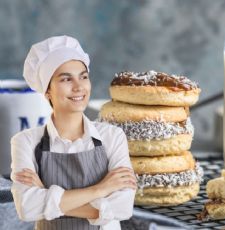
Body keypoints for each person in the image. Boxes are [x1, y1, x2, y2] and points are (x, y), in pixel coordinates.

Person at [10, 35, 137, 230]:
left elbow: (123, 207)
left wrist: (45, 194)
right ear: (47, 91)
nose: (79, 87)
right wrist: (100, 189)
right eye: (66, 79)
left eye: (83, 77)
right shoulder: (25, 142)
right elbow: (27, 208)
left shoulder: (112, 136)